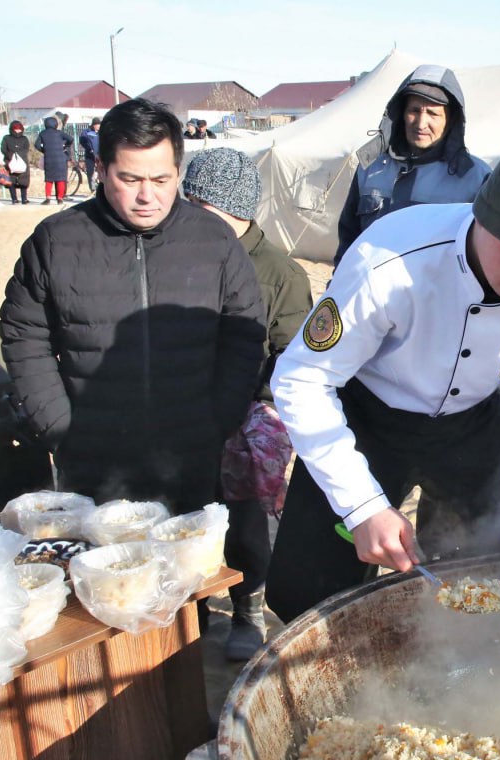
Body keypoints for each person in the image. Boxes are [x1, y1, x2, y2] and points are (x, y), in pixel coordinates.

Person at [265, 137, 500, 622]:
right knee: (310, 587)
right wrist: (362, 507)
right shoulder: (390, 258)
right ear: (482, 215)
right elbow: (301, 379)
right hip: (368, 417)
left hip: (474, 423)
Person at [0, 97, 266, 513]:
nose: (147, 197)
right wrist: (58, 426)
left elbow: (245, 331)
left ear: (178, 171)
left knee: (190, 573)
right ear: (101, 170)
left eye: (161, 180)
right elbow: (23, 333)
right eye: (129, 179)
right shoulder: (56, 240)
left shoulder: (215, 241)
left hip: (191, 456)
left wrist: (219, 419)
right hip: (91, 460)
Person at [182, 146, 313, 659]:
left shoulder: (280, 274)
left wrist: (254, 407)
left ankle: (247, 606)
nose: (187, 216)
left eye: (200, 207)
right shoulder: (179, 257)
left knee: (247, 511)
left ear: (234, 212)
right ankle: (186, 610)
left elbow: (293, 356)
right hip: (188, 406)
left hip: (248, 410)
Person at [335, 65, 490, 266]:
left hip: (435, 294)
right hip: (371, 290)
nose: (420, 123)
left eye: (433, 114)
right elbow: (348, 238)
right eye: (414, 110)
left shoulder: (475, 178)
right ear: (401, 113)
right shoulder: (371, 167)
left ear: (450, 120)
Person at [35, 116, 73, 204]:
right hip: (60, 158)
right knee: (60, 179)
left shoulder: (43, 133)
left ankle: (48, 198)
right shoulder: (59, 133)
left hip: (49, 158)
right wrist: (65, 146)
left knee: (49, 179)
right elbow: (71, 139)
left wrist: (44, 150)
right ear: (56, 124)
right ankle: (60, 198)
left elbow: (36, 145)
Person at [1, 121, 31, 204]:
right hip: (10, 161)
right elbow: (3, 149)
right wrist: (11, 155)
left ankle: (24, 199)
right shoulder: (6, 138)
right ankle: (14, 199)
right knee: (11, 181)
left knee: (23, 181)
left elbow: (26, 149)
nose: (18, 131)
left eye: (19, 129)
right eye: (16, 129)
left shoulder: (24, 138)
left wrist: (18, 155)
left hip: (22, 162)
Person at [79, 117, 100, 194]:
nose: (98, 126)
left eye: (99, 125)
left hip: (99, 155)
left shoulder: (101, 132)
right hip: (90, 155)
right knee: (90, 172)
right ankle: (92, 189)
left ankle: (101, 188)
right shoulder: (86, 132)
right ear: (93, 125)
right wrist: (89, 149)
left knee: (100, 171)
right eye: (97, 125)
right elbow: (82, 141)